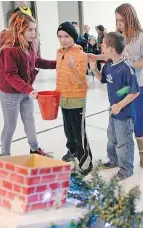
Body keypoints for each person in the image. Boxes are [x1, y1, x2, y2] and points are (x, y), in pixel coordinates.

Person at [0, 12, 56, 156]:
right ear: (19, 29)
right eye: (30, 29)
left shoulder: (29, 45)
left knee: (29, 121)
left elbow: (38, 61)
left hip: (26, 90)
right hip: (10, 93)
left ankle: (34, 148)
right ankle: (5, 155)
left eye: (34, 29)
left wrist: (58, 64)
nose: (33, 33)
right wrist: (28, 89)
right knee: (10, 125)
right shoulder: (9, 50)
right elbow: (10, 75)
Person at [90, 32, 140, 182]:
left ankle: (126, 169)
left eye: (103, 45)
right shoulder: (109, 65)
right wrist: (94, 69)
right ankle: (113, 160)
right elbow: (103, 80)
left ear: (111, 48)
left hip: (124, 113)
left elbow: (134, 91)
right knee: (112, 137)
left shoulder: (126, 68)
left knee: (124, 141)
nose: (102, 48)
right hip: (113, 111)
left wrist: (119, 105)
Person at [115, 3, 143, 168]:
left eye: (121, 21)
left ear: (129, 19)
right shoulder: (117, 37)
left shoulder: (141, 38)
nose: (118, 24)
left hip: (137, 86)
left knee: (137, 119)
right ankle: (122, 155)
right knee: (121, 120)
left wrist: (129, 65)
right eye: (116, 21)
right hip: (120, 87)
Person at [56, 22, 93, 176]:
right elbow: (59, 75)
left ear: (73, 36)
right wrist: (56, 93)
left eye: (66, 36)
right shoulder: (59, 52)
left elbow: (82, 82)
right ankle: (72, 151)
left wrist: (72, 67)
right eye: (60, 36)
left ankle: (86, 161)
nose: (63, 40)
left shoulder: (81, 55)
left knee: (79, 132)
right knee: (68, 130)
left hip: (77, 98)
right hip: (63, 98)